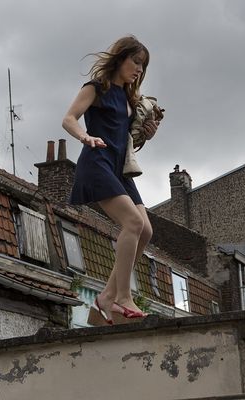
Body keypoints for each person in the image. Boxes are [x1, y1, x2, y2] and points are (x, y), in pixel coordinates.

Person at [61, 36, 159, 324]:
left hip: (119, 168)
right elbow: (69, 118)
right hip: (97, 162)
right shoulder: (96, 88)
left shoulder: (130, 99)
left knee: (146, 231)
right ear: (120, 58)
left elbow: (126, 137)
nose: (139, 70)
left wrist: (146, 133)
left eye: (143, 66)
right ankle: (123, 298)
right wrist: (85, 136)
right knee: (133, 223)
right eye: (136, 62)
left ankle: (105, 297)